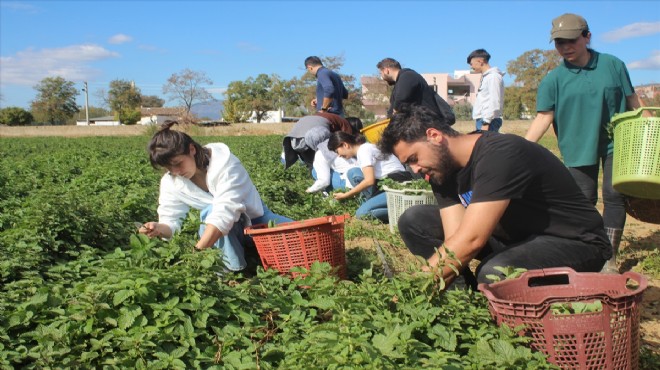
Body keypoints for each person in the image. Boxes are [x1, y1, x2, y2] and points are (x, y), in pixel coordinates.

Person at [378, 104, 611, 287]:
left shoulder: (499, 154)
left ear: (434, 136)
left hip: (574, 242)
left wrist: (414, 289)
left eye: (414, 159)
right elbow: (455, 242)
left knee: (495, 271)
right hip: (516, 240)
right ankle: (460, 303)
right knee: (415, 221)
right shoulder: (441, 170)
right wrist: (435, 285)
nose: (415, 170)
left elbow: (471, 241)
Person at [524, 13, 647, 274]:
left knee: (614, 196)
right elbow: (543, 118)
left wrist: (649, 129)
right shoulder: (553, 80)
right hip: (577, 144)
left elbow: (633, 100)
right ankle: (588, 251)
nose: (566, 47)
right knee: (583, 200)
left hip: (619, 141)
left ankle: (609, 259)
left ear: (587, 37)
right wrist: (521, 149)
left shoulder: (613, 65)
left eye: (572, 40)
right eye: (559, 43)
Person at [139, 121, 292, 272]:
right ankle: (231, 273)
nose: (176, 172)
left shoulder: (225, 164)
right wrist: (159, 228)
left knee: (305, 236)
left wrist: (198, 251)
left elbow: (225, 210)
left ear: (191, 149)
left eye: (178, 163)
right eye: (169, 168)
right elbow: (171, 220)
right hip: (223, 231)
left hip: (256, 221)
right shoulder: (171, 182)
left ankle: (251, 250)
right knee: (210, 212)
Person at [327, 131, 412, 221]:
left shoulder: (364, 150)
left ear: (345, 145)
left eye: (337, 151)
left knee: (362, 214)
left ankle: (404, 212)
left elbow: (369, 180)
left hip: (397, 185)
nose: (339, 155)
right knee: (352, 172)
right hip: (385, 184)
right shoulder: (363, 149)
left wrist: (346, 195)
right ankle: (371, 204)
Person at [377, 57, 454, 124]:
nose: (381, 76)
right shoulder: (401, 81)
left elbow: (401, 99)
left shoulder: (407, 76)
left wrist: (395, 112)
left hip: (427, 125)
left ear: (386, 70)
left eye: (381, 73)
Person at [466, 49, 504, 132]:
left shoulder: (493, 77)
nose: (471, 67)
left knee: (488, 145)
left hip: (489, 121)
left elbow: (495, 101)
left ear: (480, 61)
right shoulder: (487, 77)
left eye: (471, 64)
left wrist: (486, 123)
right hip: (484, 120)